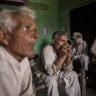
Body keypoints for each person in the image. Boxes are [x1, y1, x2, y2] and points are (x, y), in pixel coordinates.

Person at [0, 7, 39, 96]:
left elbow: (27, 94)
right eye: (26, 28)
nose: (36, 35)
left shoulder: (22, 59)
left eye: (35, 30)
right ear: (4, 36)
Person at [36, 31, 81, 96]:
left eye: (66, 41)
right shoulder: (46, 50)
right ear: (54, 42)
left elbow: (68, 70)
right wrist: (62, 57)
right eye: (62, 41)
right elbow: (50, 73)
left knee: (73, 74)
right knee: (52, 80)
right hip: (42, 74)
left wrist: (68, 56)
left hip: (56, 72)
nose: (65, 44)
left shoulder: (61, 50)